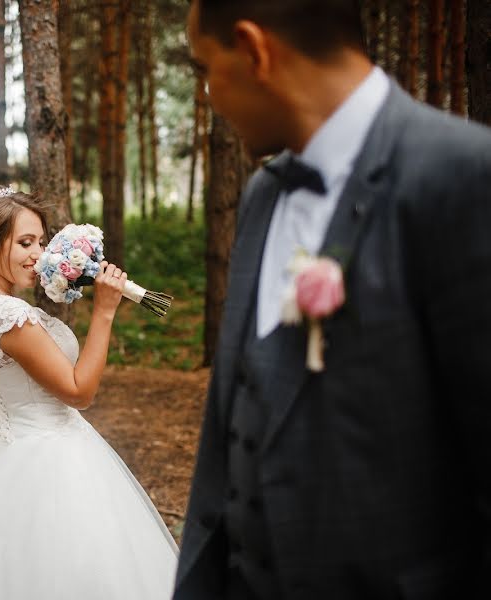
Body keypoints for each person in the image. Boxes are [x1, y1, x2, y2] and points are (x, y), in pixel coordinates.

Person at [175, 1, 491, 598]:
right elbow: (225, 459)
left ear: (254, 49)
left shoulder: (462, 178)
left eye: (206, 68)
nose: (211, 94)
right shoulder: (262, 197)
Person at [0, 184, 178, 600]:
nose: (39, 253)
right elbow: (79, 391)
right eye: (25, 242)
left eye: (42, 241)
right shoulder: (5, 315)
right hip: (49, 459)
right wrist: (103, 312)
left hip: (17, 453)